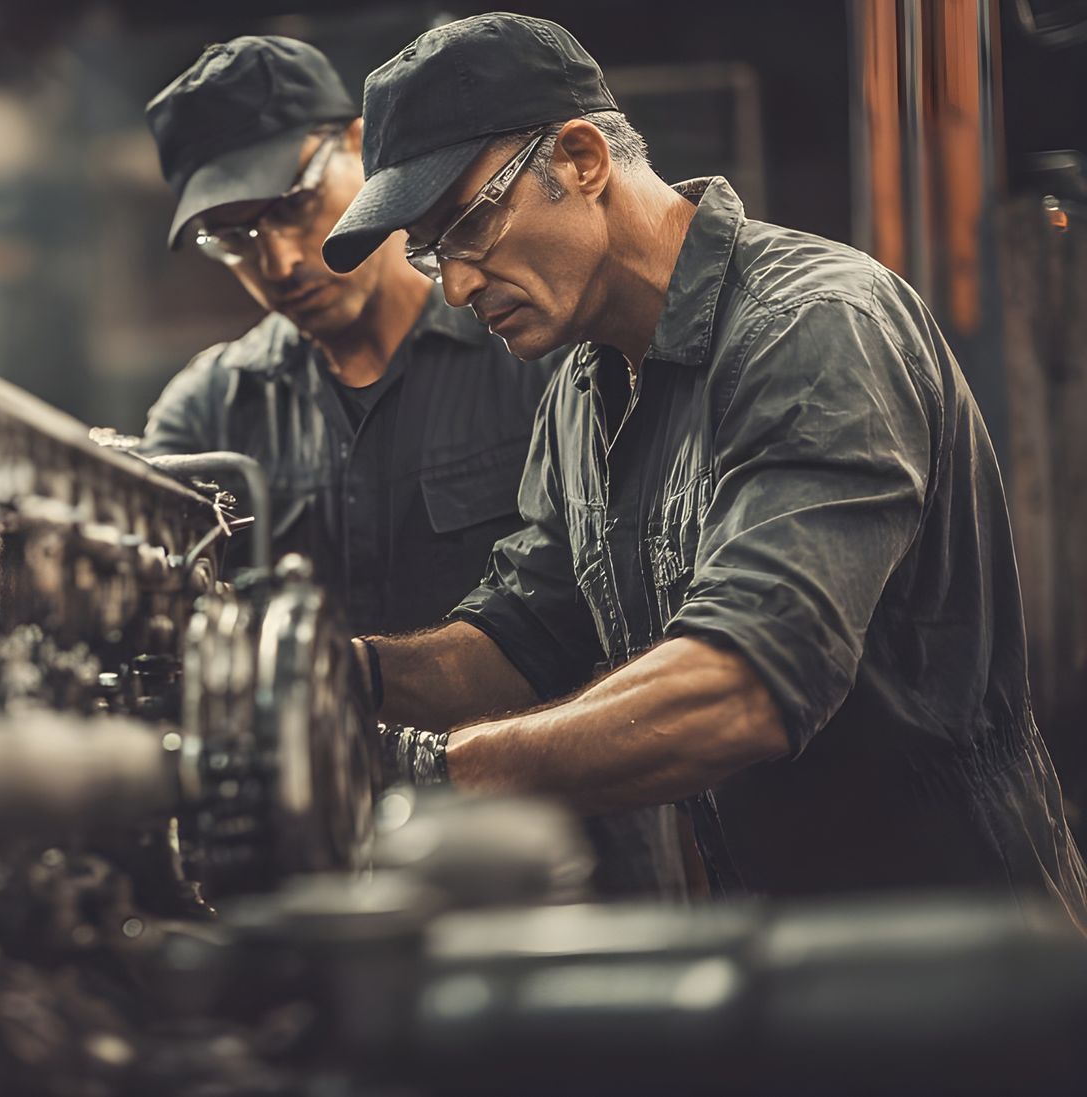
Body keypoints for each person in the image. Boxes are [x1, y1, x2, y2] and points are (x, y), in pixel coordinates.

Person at [324, 12, 1087, 919]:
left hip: (962, 964)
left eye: (466, 227)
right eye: (428, 250)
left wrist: (436, 774)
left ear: (579, 158)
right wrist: (340, 679)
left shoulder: (814, 328)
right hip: (785, 956)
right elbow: (528, 635)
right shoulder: (580, 389)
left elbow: (746, 687)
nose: (451, 284)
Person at [136, 36, 558, 640]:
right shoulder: (210, 412)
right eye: (234, 238)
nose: (278, 263)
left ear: (362, 147)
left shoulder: (531, 346)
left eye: (293, 205)